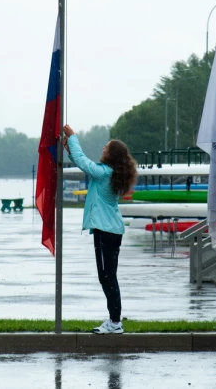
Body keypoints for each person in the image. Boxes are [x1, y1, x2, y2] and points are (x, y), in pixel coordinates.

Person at [62, 124, 137, 334]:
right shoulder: (107, 172)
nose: (103, 148)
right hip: (107, 231)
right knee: (106, 276)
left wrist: (73, 137)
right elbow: (82, 162)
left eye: (106, 147)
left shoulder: (104, 173)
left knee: (108, 277)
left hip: (107, 232)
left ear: (112, 154)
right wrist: (70, 149)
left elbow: (85, 163)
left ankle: (115, 322)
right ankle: (114, 320)